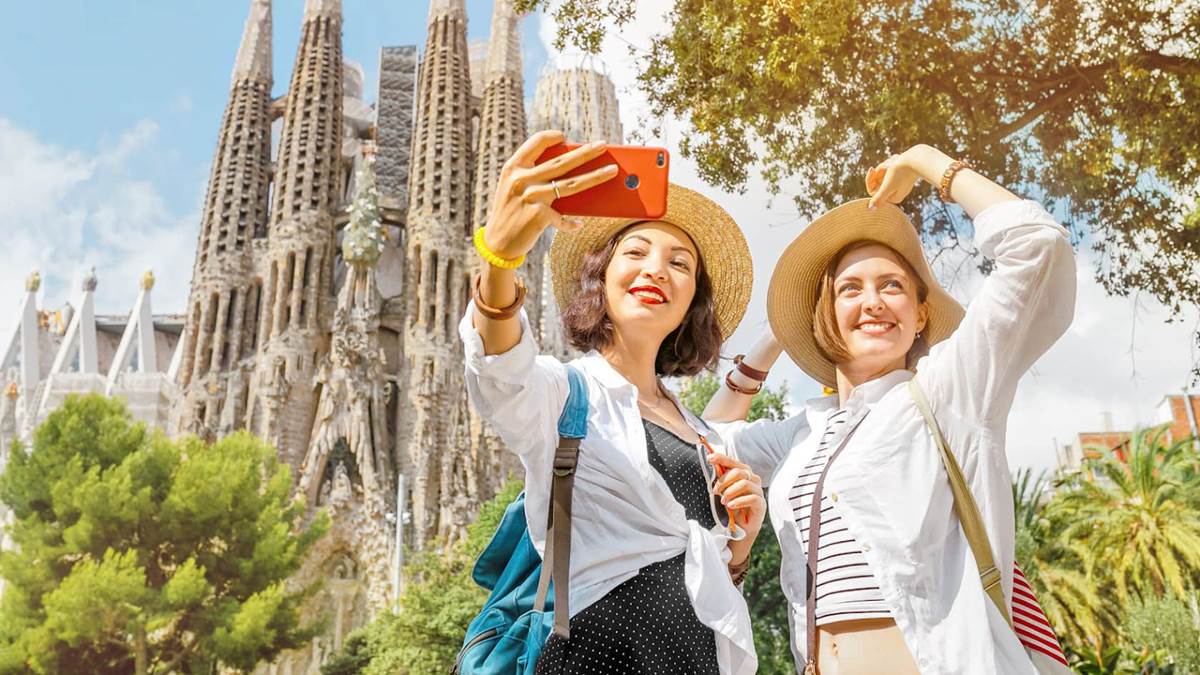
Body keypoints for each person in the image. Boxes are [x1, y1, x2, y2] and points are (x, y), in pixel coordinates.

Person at [704, 144, 1076, 674]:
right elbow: (706, 440)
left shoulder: (950, 391)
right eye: (849, 290)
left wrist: (927, 161)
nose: (873, 301)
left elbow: (1038, 247)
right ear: (825, 315)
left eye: (892, 286)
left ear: (921, 315)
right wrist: (777, 336)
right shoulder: (801, 434)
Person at [460, 130, 773, 675]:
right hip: (593, 656)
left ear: (691, 303)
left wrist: (741, 543)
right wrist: (500, 259)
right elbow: (500, 371)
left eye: (680, 263)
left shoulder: (705, 436)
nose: (657, 269)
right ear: (600, 279)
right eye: (636, 252)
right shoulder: (565, 394)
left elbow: (712, 588)